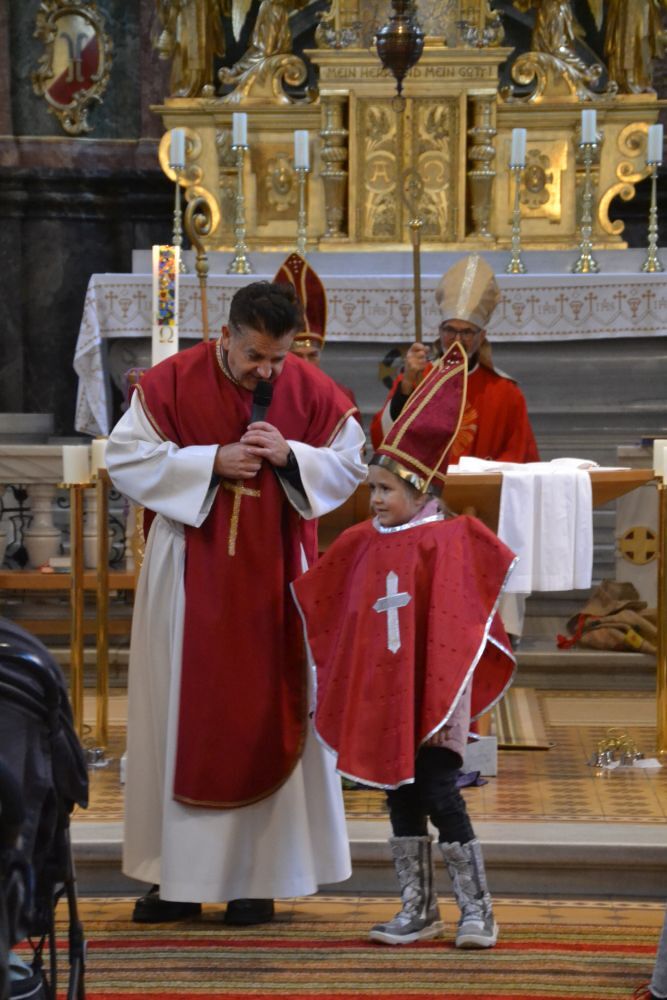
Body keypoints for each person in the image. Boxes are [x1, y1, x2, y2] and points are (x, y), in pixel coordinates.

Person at [106, 281, 366, 925]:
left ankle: (260, 878)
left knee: (270, 715)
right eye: (254, 355)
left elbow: (350, 462)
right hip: (187, 579)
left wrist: (292, 456)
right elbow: (127, 457)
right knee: (180, 717)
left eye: (277, 357)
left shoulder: (307, 388)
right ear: (225, 335)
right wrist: (208, 461)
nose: (267, 371)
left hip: (277, 576)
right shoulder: (170, 383)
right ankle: (179, 882)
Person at [292, 343, 517, 949]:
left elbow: (464, 619)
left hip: (434, 699)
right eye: (373, 488)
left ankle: (478, 911)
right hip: (386, 696)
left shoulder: (445, 540)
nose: (378, 499)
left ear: (420, 492)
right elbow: (328, 597)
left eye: (388, 489)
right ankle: (418, 910)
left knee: (440, 793)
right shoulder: (365, 540)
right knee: (399, 799)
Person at [370, 254, 539, 464]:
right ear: (440, 331)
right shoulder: (418, 378)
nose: (457, 340)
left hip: (481, 494)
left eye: (467, 332)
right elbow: (383, 440)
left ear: (482, 336)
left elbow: (519, 455)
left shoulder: (505, 392)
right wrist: (406, 386)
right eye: (450, 330)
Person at [274, 251, 358, 406]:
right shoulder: (266, 396)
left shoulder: (341, 397)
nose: (306, 364)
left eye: (312, 355)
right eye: (298, 356)